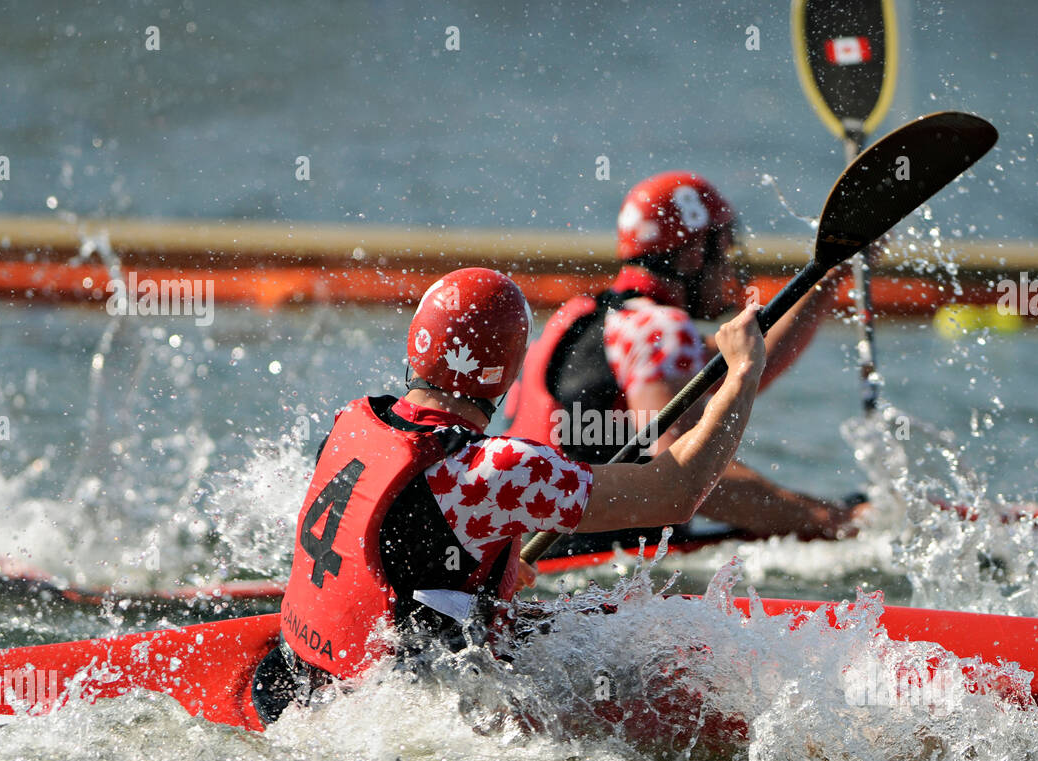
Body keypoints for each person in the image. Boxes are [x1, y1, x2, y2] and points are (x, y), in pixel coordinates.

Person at [252, 266, 769, 724]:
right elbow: (675, 493)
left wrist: (488, 563)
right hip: (396, 716)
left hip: (289, 684)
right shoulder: (499, 470)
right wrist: (742, 373)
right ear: (511, 366)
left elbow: (387, 544)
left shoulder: (352, 422)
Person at [504, 171, 868, 555]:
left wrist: (832, 274)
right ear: (694, 254)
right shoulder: (660, 329)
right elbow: (691, 477)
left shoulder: (580, 319)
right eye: (724, 252)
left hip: (525, 555)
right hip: (594, 572)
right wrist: (833, 521)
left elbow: (744, 365)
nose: (730, 269)